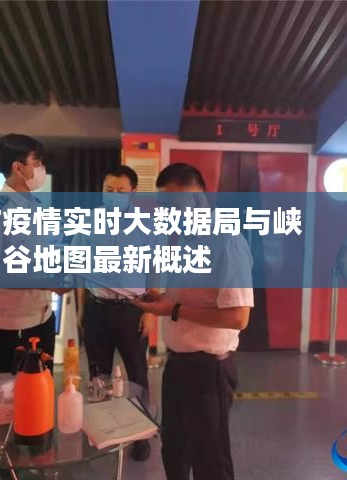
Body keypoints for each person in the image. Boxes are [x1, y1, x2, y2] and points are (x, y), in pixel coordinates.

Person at [133, 163, 254, 480]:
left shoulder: (227, 242)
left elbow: (238, 317)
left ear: (198, 200)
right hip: (178, 363)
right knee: (174, 449)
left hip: (209, 369)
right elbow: (181, 296)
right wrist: (156, 300)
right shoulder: (181, 239)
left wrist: (173, 309)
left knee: (210, 459)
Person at [75, 165, 157, 461]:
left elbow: (154, 269)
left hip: (132, 310)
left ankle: (142, 435)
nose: (113, 195)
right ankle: (103, 430)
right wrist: (82, 309)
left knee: (137, 373)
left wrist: (151, 312)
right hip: (96, 309)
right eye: (109, 190)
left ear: (133, 192)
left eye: (120, 191)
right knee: (98, 375)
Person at [0, 134, 68, 374]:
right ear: (18, 167)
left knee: (43, 385)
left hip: (43, 316)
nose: (41, 168)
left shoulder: (36, 205)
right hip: (12, 324)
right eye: (36, 162)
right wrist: (46, 281)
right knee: (13, 391)